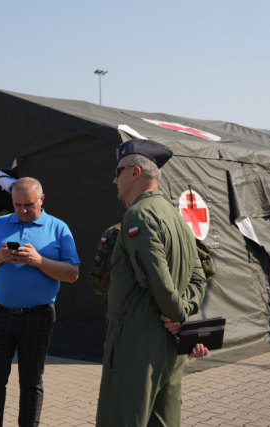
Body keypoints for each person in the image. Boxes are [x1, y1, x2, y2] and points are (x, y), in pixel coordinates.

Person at [96, 139, 209, 427]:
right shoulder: (177, 218)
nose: (114, 179)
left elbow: (158, 280)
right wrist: (184, 312)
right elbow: (199, 277)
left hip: (137, 342)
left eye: (118, 170)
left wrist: (179, 316)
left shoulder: (138, 214)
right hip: (170, 345)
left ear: (135, 172)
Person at [0, 177, 80, 427]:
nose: (23, 210)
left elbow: (73, 274)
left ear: (42, 200)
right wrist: (0, 256)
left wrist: (39, 261)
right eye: (17, 205)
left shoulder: (59, 228)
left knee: (31, 382)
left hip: (38, 315)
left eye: (29, 205)